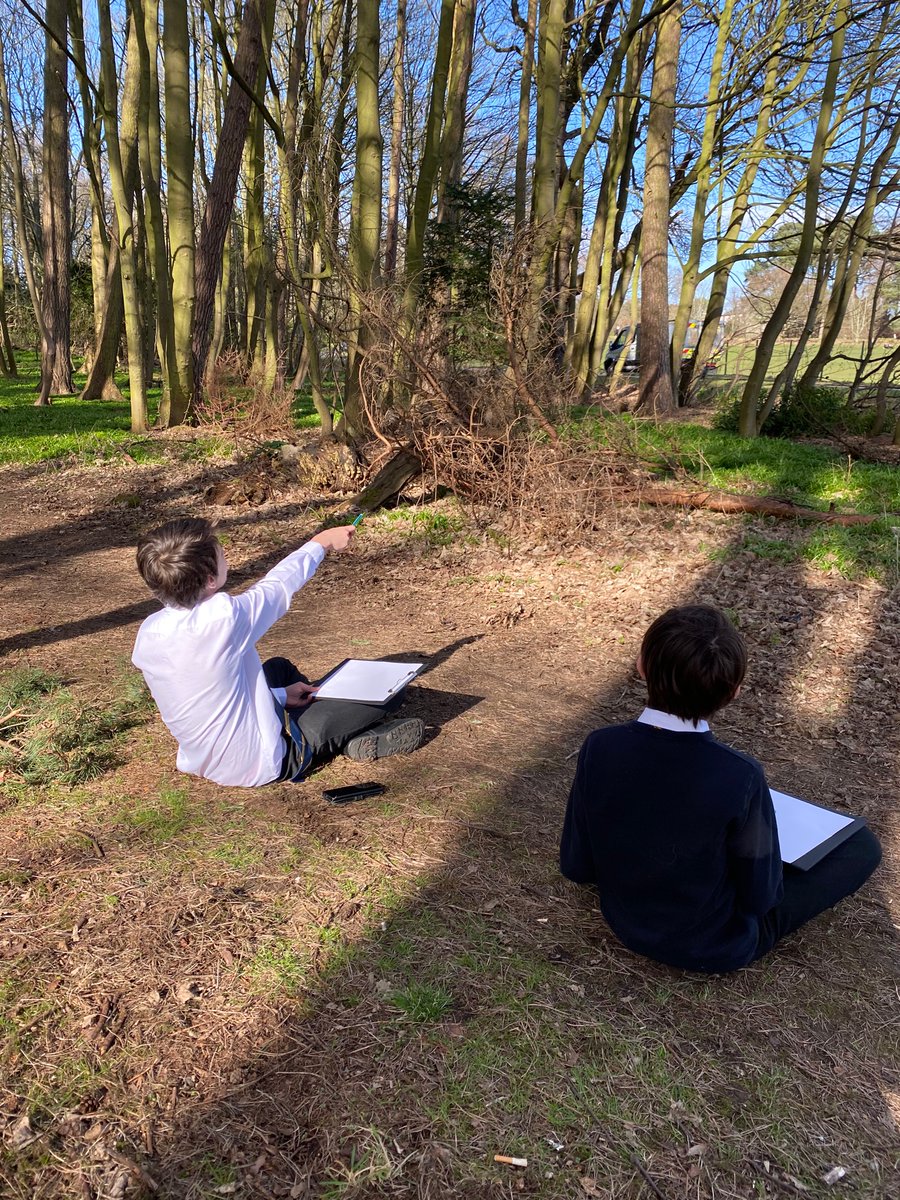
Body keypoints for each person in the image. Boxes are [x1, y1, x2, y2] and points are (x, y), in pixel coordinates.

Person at [560, 605, 881, 973]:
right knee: (862, 847)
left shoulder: (600, 745)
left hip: (623, 919)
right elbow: (761, 898)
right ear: (734, 691)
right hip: (714, 944)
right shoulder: (739, 775)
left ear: (642, 665)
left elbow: (576, 865)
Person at [132, 517, 424, 787]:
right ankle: (330, 742)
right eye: (222, 554)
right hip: (262, 763)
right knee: (391, 689)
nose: (227, 558)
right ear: (210, 579)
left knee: (278, 669)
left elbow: (208, 696)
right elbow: (278, 587)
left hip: (209, 756)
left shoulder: (149, 632)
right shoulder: (223, 619)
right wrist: (321, 542)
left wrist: (282, 695)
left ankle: (326, 722)